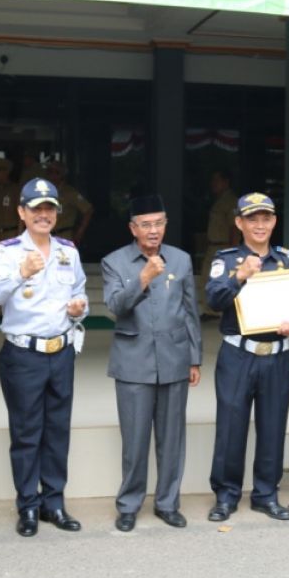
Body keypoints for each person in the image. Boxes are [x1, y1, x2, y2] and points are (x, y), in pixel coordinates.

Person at [0, 178, 89, 537]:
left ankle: (54, 502)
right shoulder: (8, 250)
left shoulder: (67, 251)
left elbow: (80, 294)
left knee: (57, 431)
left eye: (49, 209)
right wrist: (22, 272)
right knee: (27, 432)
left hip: (60, 352)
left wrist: (79, 308)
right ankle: (28, 505)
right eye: (36, 209)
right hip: (23, 355)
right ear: (21, 212)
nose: (43, 215)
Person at [101, 195, 201, 532]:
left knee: (172, 437)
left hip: (174, 358)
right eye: (146, 224)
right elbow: (115, 305)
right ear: (133, 228)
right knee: (135, 438)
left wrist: (195, 357)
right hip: (133, 362)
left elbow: (190, 312)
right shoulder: (114, 262)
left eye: (159, 223)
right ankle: (129, 504)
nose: (153, 230)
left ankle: (167, 502)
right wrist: (143, 277)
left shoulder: (182, 260)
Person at [205, 192, 289, 523]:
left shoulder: (288, 260)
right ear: (239, 223)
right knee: (231, 427)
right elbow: (213, 300)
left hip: (276, 355)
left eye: (266, 218)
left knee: (273, 426)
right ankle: (226, 495)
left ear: (274, 221)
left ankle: (266, 494)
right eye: (252, 219)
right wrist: (240, 275)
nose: (259, 225)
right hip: (238, 353)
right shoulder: (227, 259)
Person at [201, 170, 240, 318]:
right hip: (213, 245)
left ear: (226, 182)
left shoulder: (230, 201)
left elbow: (234, 227)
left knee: (218, 277)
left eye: (216, 181)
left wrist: (232, 249)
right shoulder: (220, 200)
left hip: (223, 246)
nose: (213, 184)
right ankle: (209, 310)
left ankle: (213, 312)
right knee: (206, 277)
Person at [46, 161, 94, 247]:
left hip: (64, 236)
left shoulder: (70, 192)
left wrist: (80, 232)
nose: (52, 175)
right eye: (50, 172)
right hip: (45, 237)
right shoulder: (44, 192)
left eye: (56, 172)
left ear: (62, 175)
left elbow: (88, 210)